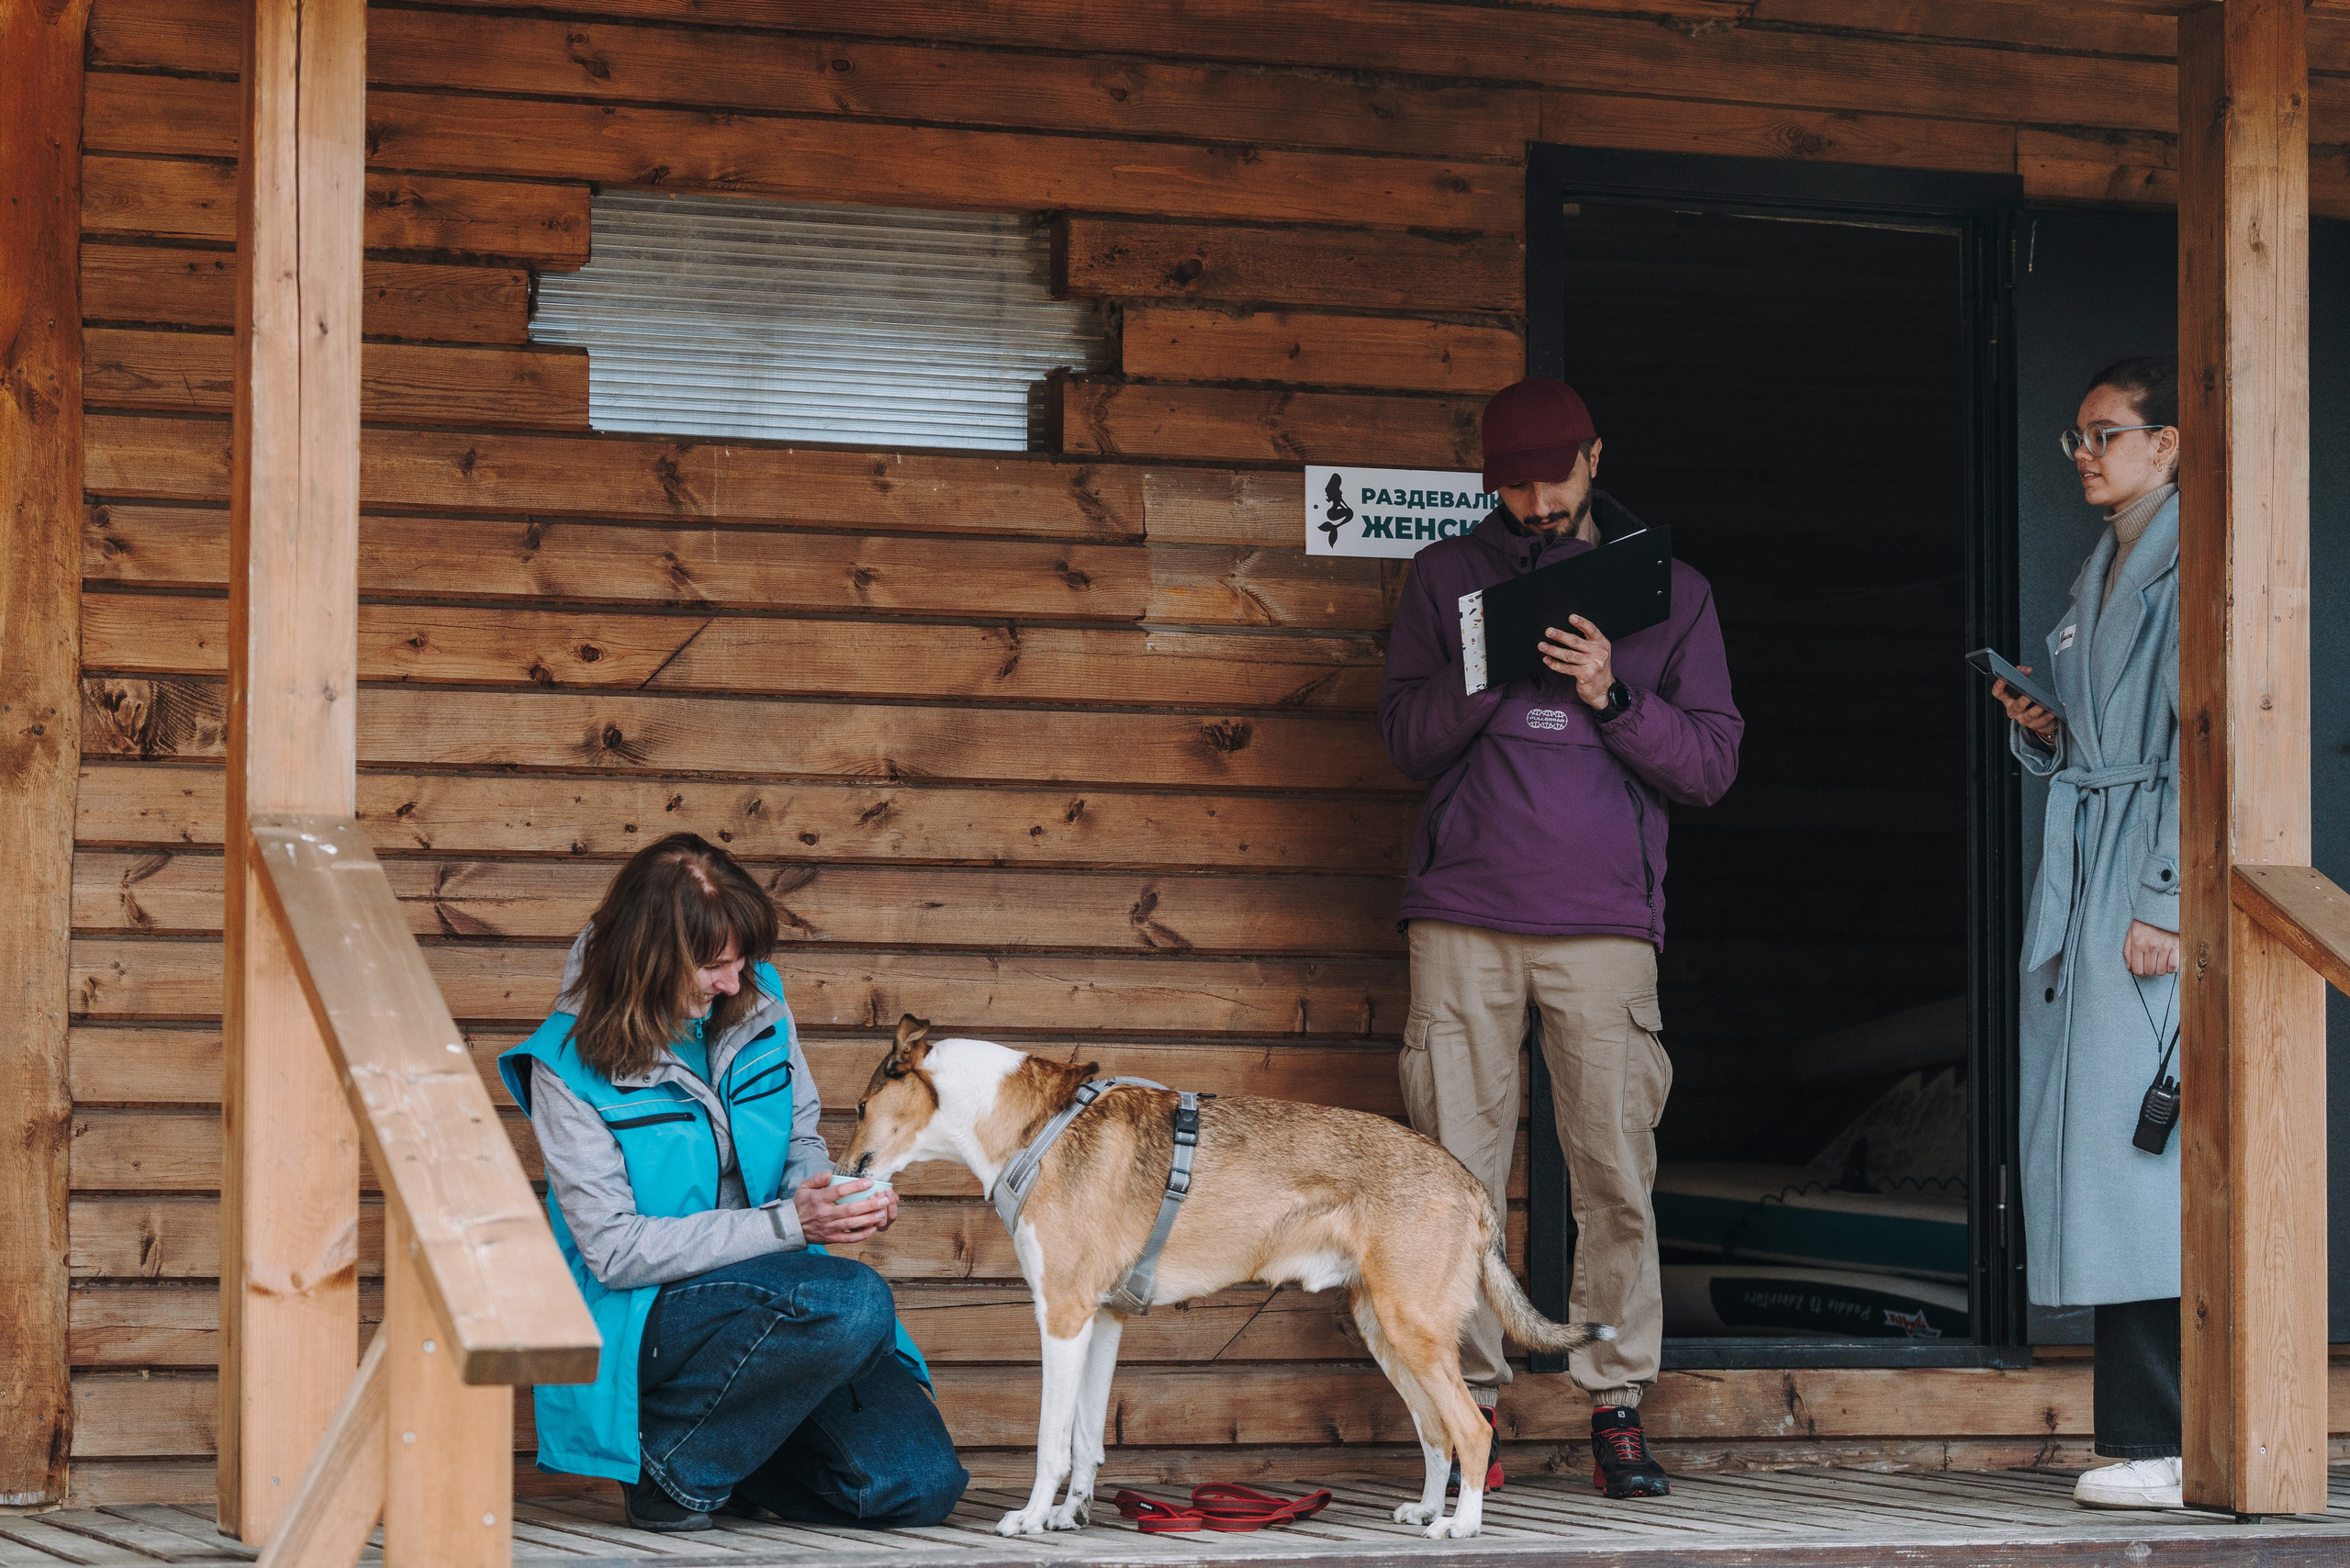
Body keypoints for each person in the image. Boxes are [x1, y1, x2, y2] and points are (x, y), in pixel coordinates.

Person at [1378, 377, 1742, 1499]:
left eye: (1553, 477)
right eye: (1514, 484)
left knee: (1613, 1174)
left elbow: (1712, 765)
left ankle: (1614, 1403)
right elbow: (1402, 738)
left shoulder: (1672, 593)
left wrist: (1608, 695)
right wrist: (1488, 672)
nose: (1536, 502)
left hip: (1603, 926)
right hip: (1461, 918)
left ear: (1594, 457)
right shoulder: (1445, 578)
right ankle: (1468, 1412)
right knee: (1453, 1180)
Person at [498, 834, 968, 1532]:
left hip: (785, 1298)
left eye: (742, 958)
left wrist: (827, 1194)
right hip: (649, 1315)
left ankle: (717, 1458)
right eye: (714, 965)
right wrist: (792, 1225)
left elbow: (800, 1134)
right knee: (851, 1302)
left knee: (915, 1486)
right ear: (649, 958)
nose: (733, 979)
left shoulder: (759, 1003)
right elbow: (615, 1251)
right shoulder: (565, 1066)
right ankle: (675, 1466)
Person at [1996, 356, 2184, 1511]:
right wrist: (2045, 729)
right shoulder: (2107, 560)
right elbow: (2106, 737)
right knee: (2112, 1156)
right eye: (2078, 436)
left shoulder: (2187, 561)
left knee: (2142, 1161)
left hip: (2142, 882)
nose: (2084, 453)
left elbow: (2207, 738)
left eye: (2105, 434)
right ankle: (2137, 1433)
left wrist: (2165, 895)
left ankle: (2166, 1439)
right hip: (2095, 856)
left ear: (2167, 444)